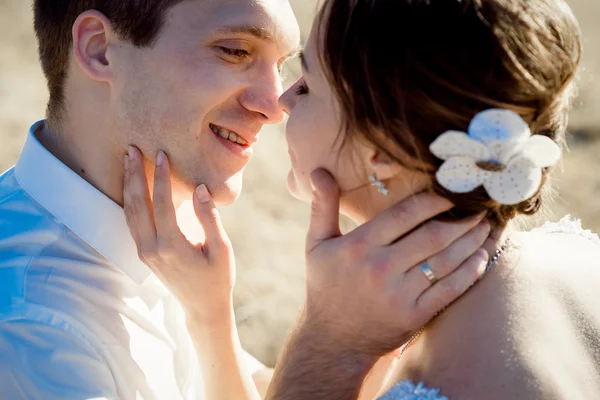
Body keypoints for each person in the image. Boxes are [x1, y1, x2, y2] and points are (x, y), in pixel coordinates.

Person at [0, 0, 487, 399]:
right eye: (235, 51)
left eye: (282, 65)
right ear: (101, 49)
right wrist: (330, 337)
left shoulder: (166, 234)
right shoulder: (32, 335)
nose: (277, 104)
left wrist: (211, 316)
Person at [123, 0, 600, 399]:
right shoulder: (572, 262)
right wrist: (210, 314)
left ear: (384, 149)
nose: (282, 101)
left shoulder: (445, 373)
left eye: (308, 85)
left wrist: (327, 342)